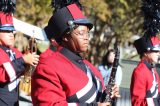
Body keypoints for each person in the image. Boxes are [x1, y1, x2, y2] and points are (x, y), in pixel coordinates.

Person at [31, 1, 120, 106]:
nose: (86, 37)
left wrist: (107, 96)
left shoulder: (90, 67)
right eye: (81, 33)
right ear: (65, 36)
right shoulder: (47, 67)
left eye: (87, 32)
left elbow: (95, 100)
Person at [0, 0, 39, 106]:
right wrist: (23, 60)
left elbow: (23, 72)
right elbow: (3, 75)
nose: (11, 34)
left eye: (12, 31)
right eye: (6, 31)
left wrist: (30, 63)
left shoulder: (15, 52)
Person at [130, 36, 160, 106]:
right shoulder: (139, 72)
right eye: (155, 50)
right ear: (146, 53)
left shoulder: (153, 70)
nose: (158, 53)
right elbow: (137, 103)